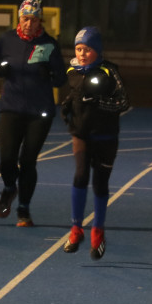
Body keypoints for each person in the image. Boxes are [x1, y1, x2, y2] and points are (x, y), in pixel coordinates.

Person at [0, 0, 67, 226]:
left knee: (28, 160)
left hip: (39, 112)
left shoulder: (49, 44)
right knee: (6, 159)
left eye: (34, 19)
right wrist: (1, 70)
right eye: (25, 18)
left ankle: (24, 210)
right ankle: (8, 187)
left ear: (40, 21)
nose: (29, 23)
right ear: (19, 18)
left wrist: (50, 74)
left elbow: (61, 78)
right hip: (11, 107)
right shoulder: (7, 39)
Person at [60, 26, 130, 260]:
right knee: (80, 176)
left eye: (87, 49)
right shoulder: (72, 70)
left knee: (100, 185)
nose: (81, 53)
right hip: (81, 135)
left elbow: (123, 103)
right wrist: (68, 103)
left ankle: (98, 230)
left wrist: (99, 102)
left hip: (106, 137)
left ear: (97, 51)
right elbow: (77, 91)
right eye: (79, 49)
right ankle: (76, 228)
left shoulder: (110, 72)